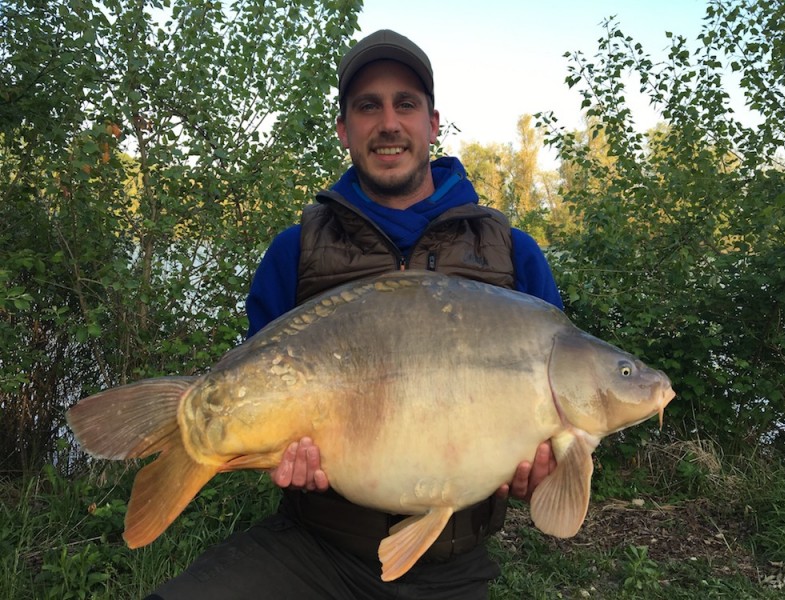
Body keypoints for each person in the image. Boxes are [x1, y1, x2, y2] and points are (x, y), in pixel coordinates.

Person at [147, 29, 562, 600]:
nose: (388, 122)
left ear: (433, 123)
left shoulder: (513, 254)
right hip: (312, 548)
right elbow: (268, 397)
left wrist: (541, 472)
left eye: (406, 104)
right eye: (368, 106)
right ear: (345, 129)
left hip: (453, 563)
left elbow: (549, 442)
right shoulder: (293, 253)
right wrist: (270, 450)